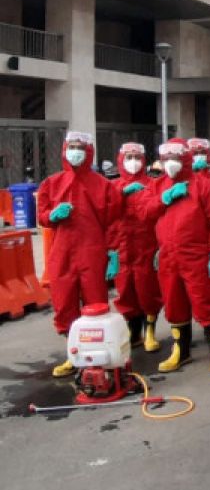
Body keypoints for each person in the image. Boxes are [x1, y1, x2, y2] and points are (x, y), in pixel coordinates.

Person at [139, 140, 210, 374]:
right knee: (174, 302)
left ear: (186, 159)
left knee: (205, 300)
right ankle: (181, 350)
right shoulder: (157, 186)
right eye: (166, 159)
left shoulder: (204, 186)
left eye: (176, 159)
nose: (171, 164)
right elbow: (144, 212)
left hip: (197, 254)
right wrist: (164, 199)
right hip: (168, 256)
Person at [37, 132, 122, 377]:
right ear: (64, 150)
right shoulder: (51, 184)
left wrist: (112, 252)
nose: (75, 151)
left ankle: (97, 356)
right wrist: (52, 216)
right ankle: (73, 354)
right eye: (71, 147)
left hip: (92, 252)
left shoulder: (103, 185)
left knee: (95, 304)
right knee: (64, 304)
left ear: (89, 151)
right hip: (62, 253)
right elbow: (42, 217)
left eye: (80, 147)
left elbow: (114, 222)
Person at [109, 142, 163, 352]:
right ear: (121, 160)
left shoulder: (153, 185)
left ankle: (150, 330)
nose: (133, 161)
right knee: (125, 291)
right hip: (122, 248)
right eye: (129, 157)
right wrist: (110, 250)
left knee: (148, 289)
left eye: (137, 157)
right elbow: (107, 216)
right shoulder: (113, 187)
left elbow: (158, 214)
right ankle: (134, 331)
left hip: (146, 246)